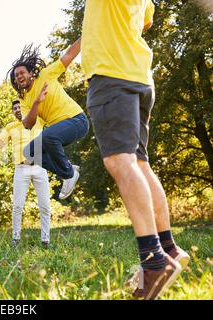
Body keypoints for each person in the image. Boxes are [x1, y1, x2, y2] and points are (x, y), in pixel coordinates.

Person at [81, 0, 189, 299]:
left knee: (121, 161)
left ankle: (154, 261)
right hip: (139, 76)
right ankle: (168, 249)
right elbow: (147, 21)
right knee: (139, 162)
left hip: (111, 75)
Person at [8, 40, 89, 200]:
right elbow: (28, 124)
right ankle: (68, 170)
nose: (19, 77)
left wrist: (85, 33)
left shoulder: (45, 75)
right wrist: (37, 102)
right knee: (29, 151)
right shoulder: (24, 100)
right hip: (60, 131)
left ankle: (69, 174)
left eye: (21, 73)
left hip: (77, 121)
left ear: (31, 73)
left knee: (48, 136)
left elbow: (68, 56)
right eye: (16, 76)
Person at [0, 100, 51, 248]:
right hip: (21, 169)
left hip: (39, 166)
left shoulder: (38, 120)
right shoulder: (11, 127)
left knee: (45, 205)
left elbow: (48, 109)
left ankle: (45, 240)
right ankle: (16, 239)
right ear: (13, 112)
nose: (18, 109)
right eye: (15, 108)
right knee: (17, 206)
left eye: (20, 107)